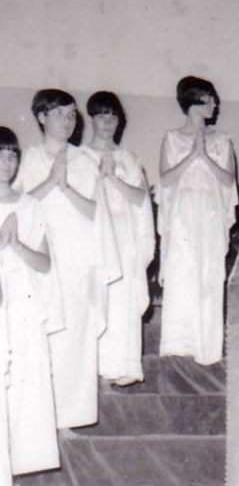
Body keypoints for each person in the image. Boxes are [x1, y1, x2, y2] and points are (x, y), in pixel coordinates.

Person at [15, 89, 120, 429]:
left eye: (73, 114)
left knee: (76, 335)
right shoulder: (28, 158)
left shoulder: (85, 159)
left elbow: (97, 211)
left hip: (78, 259)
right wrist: (50, 181)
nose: (68, 121)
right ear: (42, 117)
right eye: (60, 114)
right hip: (40, 257)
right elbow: (17, 203)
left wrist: (66, 188)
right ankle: (39, 420)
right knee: (43, 335)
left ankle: (71, 417)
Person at [158, 76, 237, 366]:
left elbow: (229, 181)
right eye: (209, 99)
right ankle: (180, 344)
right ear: (193, 101)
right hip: (182, 217)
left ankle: (207, 346)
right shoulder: (171, 138)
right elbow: (166, 179)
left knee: (209, 274)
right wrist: (192, 155)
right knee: (183, 271)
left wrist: (207, 157)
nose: (214, 104)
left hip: (210, 215)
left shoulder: (223, 140)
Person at [84, 91, 155, 386]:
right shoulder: (79, 156)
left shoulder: (128, 159)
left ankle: (120, 367)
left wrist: (113, 177)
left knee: (121, 299)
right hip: (93, 235)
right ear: (91, 119)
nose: (107, 122)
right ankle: (92, 368)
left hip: (124, 237)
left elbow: (140, 198)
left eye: (112, 116)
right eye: (101, 115)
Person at [0, 127, 57, 486]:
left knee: (23, 380)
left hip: (22, 300)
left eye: (11, 156)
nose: (6, 164)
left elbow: (45, 263)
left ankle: (17, 464)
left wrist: (16, 243)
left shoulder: (29, 206)